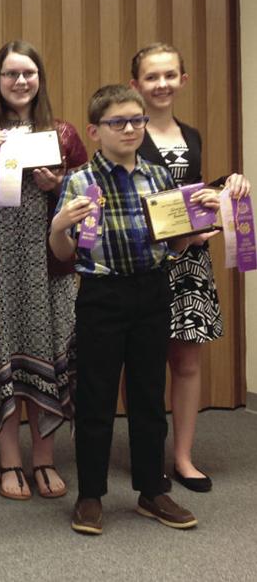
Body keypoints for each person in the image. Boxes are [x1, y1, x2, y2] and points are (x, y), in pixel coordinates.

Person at [50, 84, 216, 535]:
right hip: (101, 296)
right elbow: (63, 253)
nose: (129, 129)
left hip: (152, 291)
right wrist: (60, 227)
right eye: (117, 122)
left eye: (137, 121)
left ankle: (151, 490)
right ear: (95, 130)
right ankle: (90, 496)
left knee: (147, 394)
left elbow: (177, 244)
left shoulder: (159, 179)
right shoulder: (80, 181)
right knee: (96, 397)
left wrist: (199, 221)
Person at [0, 41, 87, 500]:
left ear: (40, 77)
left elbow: (90, 201)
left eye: (28, 72)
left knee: (47, 354)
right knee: (2, 356)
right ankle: (9, 461)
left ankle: (43, 459)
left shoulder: (63, 135)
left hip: (49, 268)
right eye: (10, 74)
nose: (20, 81)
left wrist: (58, 184)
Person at [129, 43, 251, 492]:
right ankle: (147, 454)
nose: (161, 84)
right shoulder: (127, 134)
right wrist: (179, 229)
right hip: (144, 260)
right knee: (142, 363)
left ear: (183, 79)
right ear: (135, 85)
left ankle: (183, 457)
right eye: (151, 76)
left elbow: (192, 196)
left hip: (190, 265)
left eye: (169, 75)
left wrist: (227, 189)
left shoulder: (193, 136)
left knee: (186, 362)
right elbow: (132, 204)